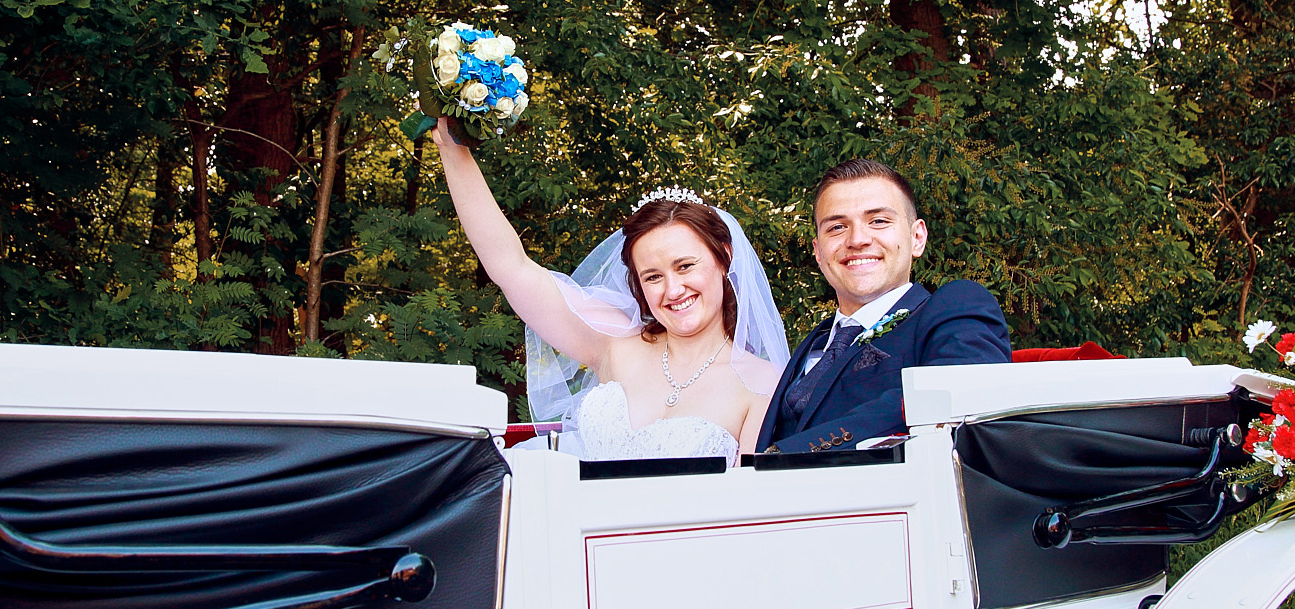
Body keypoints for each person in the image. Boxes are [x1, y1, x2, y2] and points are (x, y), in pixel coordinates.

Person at [433, 120, 788, 463]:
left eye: (685, 266)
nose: (673, 289)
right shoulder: (615, 345)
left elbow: (751, 503)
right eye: (652, 277)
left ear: (724, 258)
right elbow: (512, 268)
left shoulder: (761, 381)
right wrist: (452, 149)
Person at [759, 159, 1012, 454]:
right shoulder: (814, 344)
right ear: (817, 251)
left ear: (917, 238)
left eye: (878, 221)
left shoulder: (954, 309)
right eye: (837, 227)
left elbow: (957, 396)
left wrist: (782, 458)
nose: (857, 239)